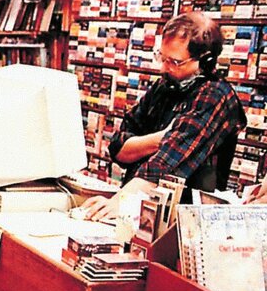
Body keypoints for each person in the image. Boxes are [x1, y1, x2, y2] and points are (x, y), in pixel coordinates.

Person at [84, 12, 247, 221]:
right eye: (162, 57)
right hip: (138, 211)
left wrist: (120, 202)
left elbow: (164, 166)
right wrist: (163, 138)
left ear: (205, 61)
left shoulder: (216, 97)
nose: (164, 67)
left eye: (175, 62)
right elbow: (117, 147)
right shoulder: (164, 86)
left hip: (184, 223)